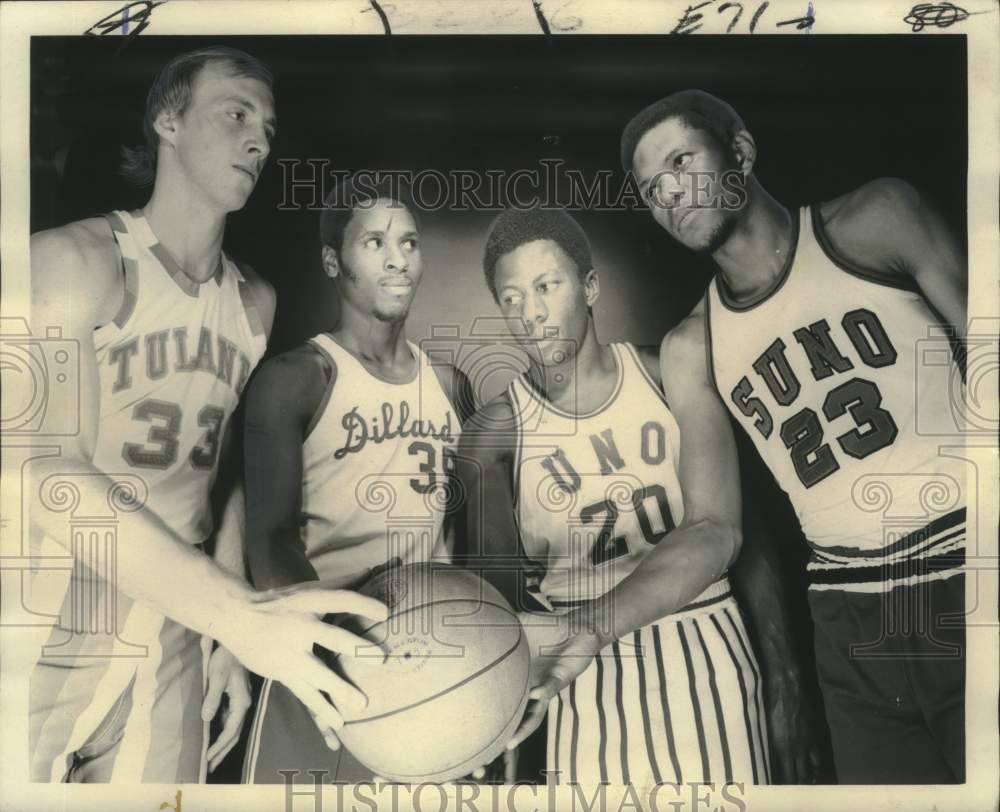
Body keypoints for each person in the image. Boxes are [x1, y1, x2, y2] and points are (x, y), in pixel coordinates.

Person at [27, 47, 386, 784]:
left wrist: (225, 629)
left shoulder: (254, 302)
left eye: (268, 125)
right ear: (168, 119)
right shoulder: (72, 262)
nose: (260, 139)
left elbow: (227, 481)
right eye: (236, 114)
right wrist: (240, 619)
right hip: (43, 616)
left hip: (175, 628)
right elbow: (46, 475)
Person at [619, 89, 967, 783]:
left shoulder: (876, 220)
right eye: (652, 187)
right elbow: (714, 526)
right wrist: (588, 625)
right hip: (847, 619)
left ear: (740, 153)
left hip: (966, 564)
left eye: (682, 160)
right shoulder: (694, 345)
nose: (670, 194)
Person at [455, 206, 795, 787]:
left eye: (546, 286)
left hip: (703, 638)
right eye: (511, 298)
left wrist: (788, 683)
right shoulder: (494, 430)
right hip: (576, 666)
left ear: (589, 286)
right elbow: (498, 597)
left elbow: (748, 536)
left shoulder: (666, 378)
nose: (531, 312)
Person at [241, 176, 473, 784]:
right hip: (321, 661)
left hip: (429, 664)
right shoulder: (296, 377)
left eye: (410, 242)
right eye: (374, 242)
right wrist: (343, 642)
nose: (398, 258)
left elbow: (465, 536)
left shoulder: (450, 385)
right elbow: (269, 537)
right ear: (331, 260)